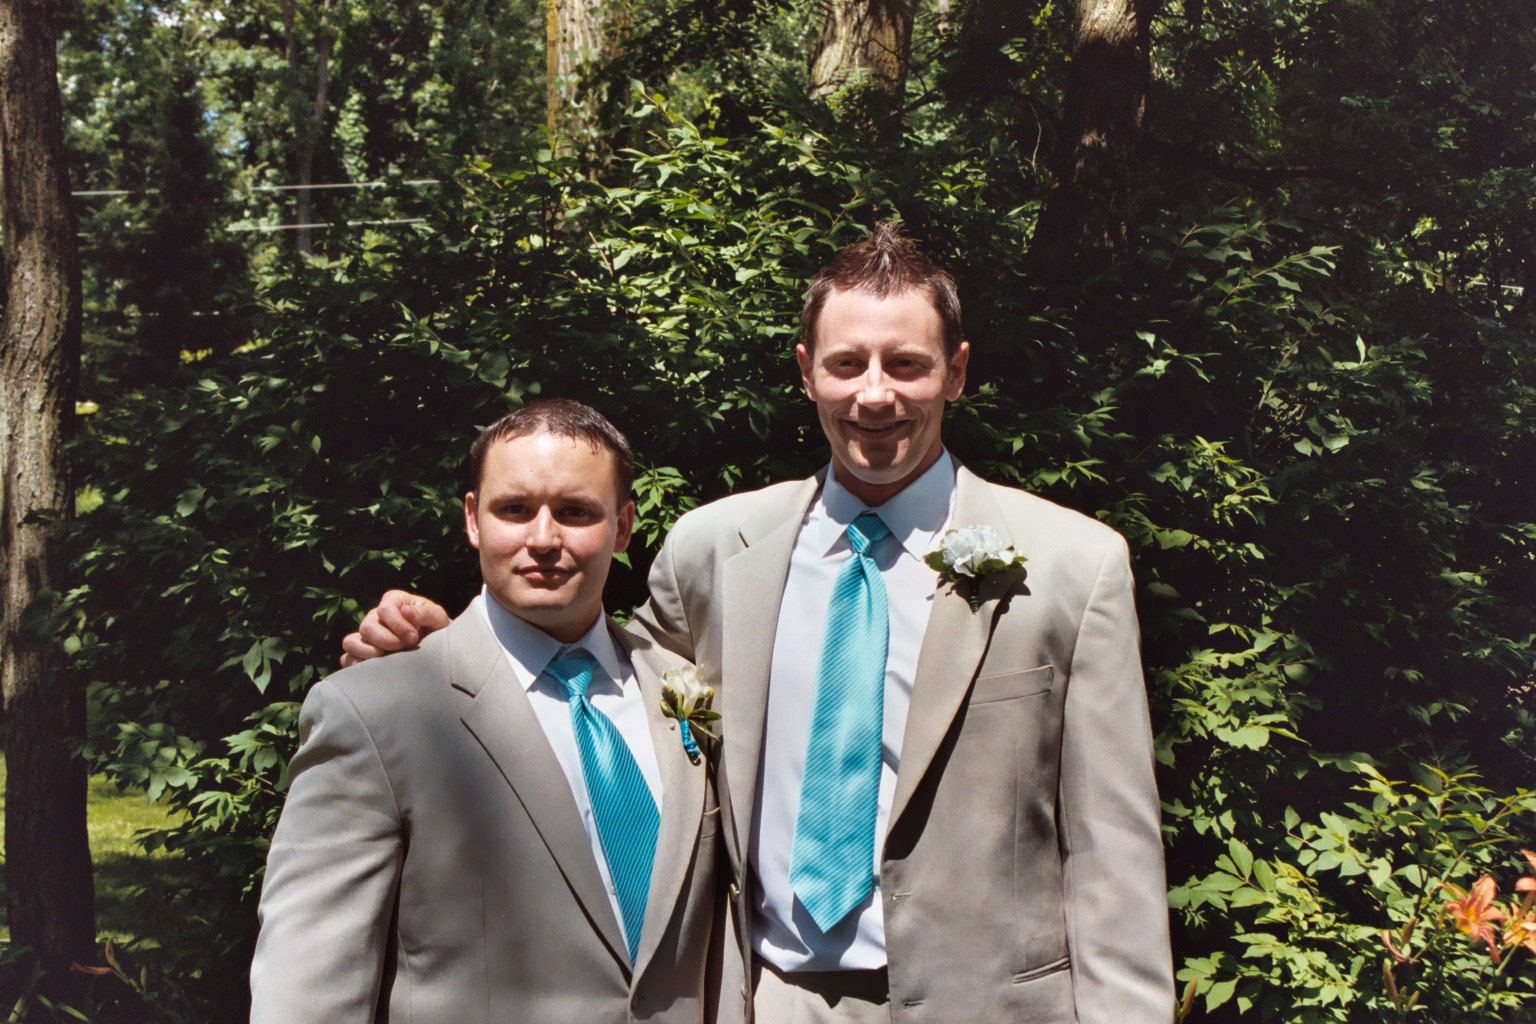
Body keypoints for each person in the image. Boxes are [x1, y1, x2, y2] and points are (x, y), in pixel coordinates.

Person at [344, 223, 1175, 1024]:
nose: (874, 394)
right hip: (767, 998)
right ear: (807, 372)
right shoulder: (714, 552)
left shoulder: (1071, 566)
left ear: (955, 372)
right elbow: (601, 690)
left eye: (906, 364)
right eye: (846, 364)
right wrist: (450, 651)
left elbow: (1115, 851)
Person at [252, 399, 728, 1024]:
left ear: (622, 527)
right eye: (515, 510)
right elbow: (306, 985)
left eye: (576, 512)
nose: (544, 539)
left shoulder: (687, 689)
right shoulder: (374, 712)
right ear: (473, 519)